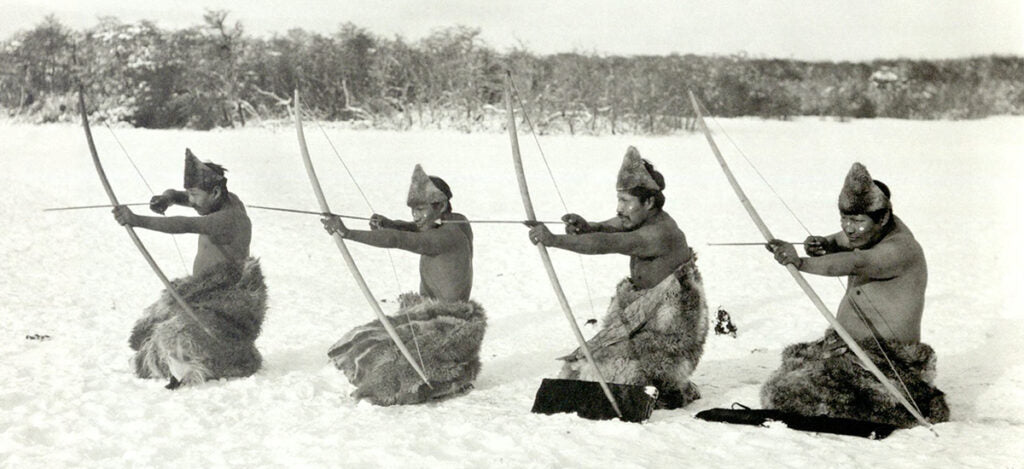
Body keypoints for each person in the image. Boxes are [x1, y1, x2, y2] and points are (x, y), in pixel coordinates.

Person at [761, 162, 949, 427]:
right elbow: (841, 240)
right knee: (789, 373)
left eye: (857, 221)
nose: (849, 228)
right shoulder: (870, 230)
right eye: (844, 219)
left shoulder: (900, 249)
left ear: (882, 218)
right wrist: (823, 244)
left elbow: (856, 262)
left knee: (787, 394)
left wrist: (800, 263)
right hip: (849, 349)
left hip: (886, 363)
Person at [526, 146, 708, 409]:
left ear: (649, 203)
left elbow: (606, 243)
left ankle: (670, 388)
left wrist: (554, 240)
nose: (620, 208)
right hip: (643, 318)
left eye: (626, 202)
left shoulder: (659, 233)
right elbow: (612, 226)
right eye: (619, 200)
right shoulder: (640, 219)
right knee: (582, 369)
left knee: (613, 375)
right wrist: (588, 226)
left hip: (668, 330)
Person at [321, 165, 485, 405]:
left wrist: (346, 233)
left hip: (446, 325)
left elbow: (400, 239)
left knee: (379, 360)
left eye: (420, 209)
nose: (415, 216)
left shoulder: (444, 238)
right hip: (429, 312)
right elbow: (412, 228)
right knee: (358, 340)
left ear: (439, 206)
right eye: (413, 211)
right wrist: (391, 223)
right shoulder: (457, 221)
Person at [113, 149, 266, 389]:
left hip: (227, 302)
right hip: (204, 292)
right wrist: (169, 198)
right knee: (154, 326)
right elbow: (180, 195)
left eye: (195, 195)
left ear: (215, 193)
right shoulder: (220, 199)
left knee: (180, 338)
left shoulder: (229, 218)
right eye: (190, 195)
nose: (191, 201)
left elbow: (185, 224)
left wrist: (136, 220)